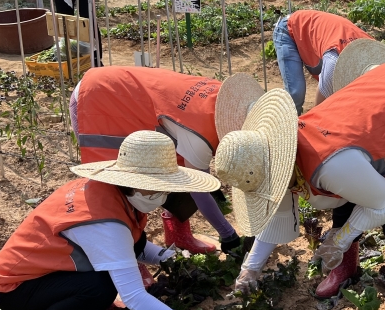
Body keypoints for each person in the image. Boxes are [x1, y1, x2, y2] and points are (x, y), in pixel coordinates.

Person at [215, 39, 385, 310]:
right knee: (346, 197)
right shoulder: (278, 151)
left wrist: (341, 238)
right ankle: (346, 268)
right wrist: (251, 268)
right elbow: (277, 210)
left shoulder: (331, 165)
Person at [0, 131, 232, 310]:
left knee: (108, 278)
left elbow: (130, 245)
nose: (163, 195)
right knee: (99, 289)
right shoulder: (105, 222)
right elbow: (134, 296)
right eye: (156, 187)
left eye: (166, 187)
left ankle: (89, 309)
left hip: (45, 271)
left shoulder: (109, 192)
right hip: (16, 288)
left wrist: (167, 258)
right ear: (132, 184)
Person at [71, 67, 263, 255]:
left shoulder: (228, 101)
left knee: (171, 165)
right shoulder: (199, 136)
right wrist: (228, 235)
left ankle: (179, 237)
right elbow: (199, 190)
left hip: (133, 97)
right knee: (127, 181)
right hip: (98, 98)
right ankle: (131, 255)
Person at [272, 9, 372, 114]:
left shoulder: (374, 50)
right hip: (289, 28)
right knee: (295, 93)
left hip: (322, 36)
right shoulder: (335, 62)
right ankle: (286, 126)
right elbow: (319, 107)